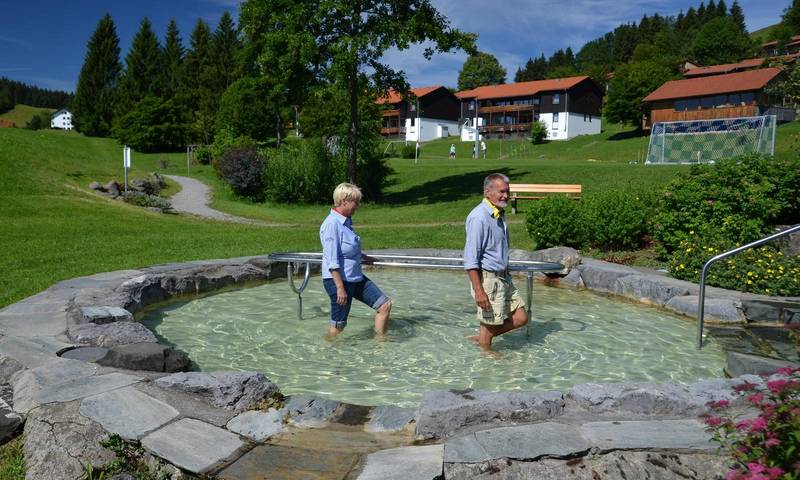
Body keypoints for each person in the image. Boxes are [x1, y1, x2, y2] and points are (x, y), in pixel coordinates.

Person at [463, 173, 528, 350]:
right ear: (487, 192)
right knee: (489, 325)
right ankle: (488, 362)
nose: (506, 196)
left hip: (503, 278)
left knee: (521, 317)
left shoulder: (497, 213)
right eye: (501, 192)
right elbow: (470, 259)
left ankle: (484, 338)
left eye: (507, 191)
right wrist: (479, 291)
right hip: (489, 281)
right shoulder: (479, 217)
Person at [320, 183, 392, 339]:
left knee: (384, 305)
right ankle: (327, 352)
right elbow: (332, 260)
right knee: (338, 326)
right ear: (344, 200)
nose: (358, 206)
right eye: (356, 202)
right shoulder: (332, 225)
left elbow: (348, 249)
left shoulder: (346, 222)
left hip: (355, 277)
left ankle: (381, 344)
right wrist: (340, 288)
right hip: (338, 281)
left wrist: (364, 258)